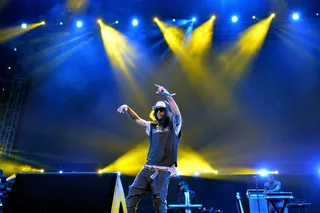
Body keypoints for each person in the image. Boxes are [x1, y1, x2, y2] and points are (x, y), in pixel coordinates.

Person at [117, 84, 182, 213]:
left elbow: (177, 113)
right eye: (157, 110)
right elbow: (137, 119)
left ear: (167, 111)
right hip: (147, 169)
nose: (159, 113)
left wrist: (166, 94)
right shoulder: (151, 127)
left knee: (159, 201)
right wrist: (127, 108)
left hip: (163, 171)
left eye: (162, 110)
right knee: (131, 196)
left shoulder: (174, 127)